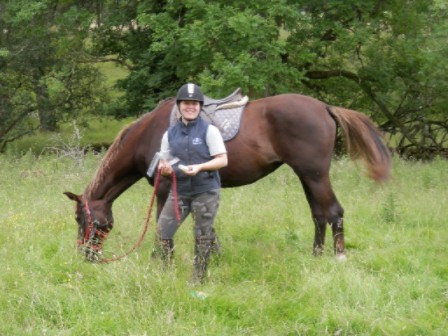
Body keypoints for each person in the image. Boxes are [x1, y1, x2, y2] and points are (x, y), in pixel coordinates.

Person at [156, 83, 228, 284]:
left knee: (202, 235)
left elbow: (222, 160)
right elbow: (164, 161)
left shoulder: (209, 131)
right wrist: (166, 169)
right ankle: (166, 269)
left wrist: (200, 167)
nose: (191, 106)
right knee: (163, 231)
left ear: (200, 106)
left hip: (206, 191)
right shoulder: (169, 134)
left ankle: (199, 277)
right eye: (186, 103)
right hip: (179, 191)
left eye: (195, 103)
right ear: (179, 105)